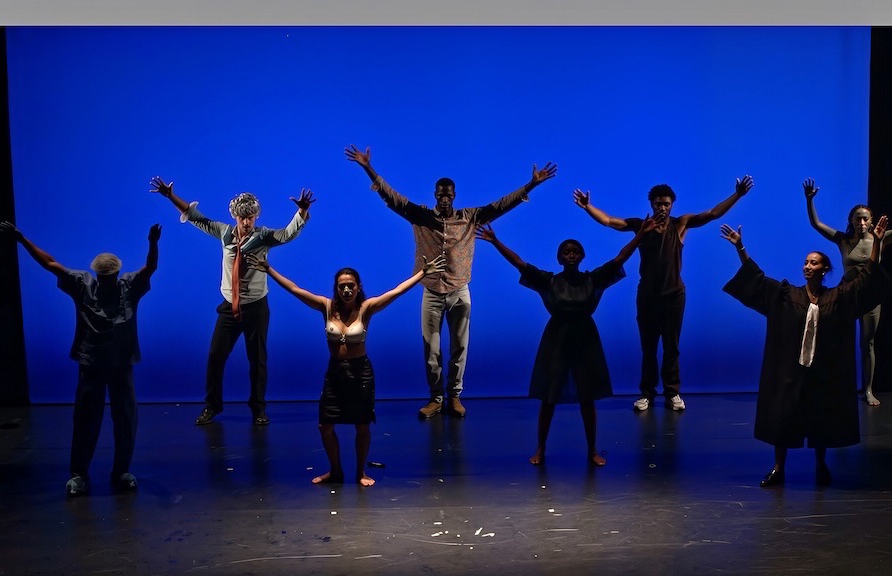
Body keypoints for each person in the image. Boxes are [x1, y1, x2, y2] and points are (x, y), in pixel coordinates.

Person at [344, 144, 558, 419]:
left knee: (460, 346)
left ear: (454, 196)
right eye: (440, 194)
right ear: (435, 195)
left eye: (448, 194)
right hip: (432, 291)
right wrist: (368, 168)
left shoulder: (470, 217)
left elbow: (502, 205)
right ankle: (436, 398)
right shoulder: (421, 216)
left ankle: (454, 396)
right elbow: (392, 197)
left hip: (459, 290)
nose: (444, 198)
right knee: (431, 348)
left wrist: (532, 184)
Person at [246, 252, 447, 486]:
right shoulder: (326, 307)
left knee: (362, 425)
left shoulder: (366, 308)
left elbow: (397, 291)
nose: (346, 290)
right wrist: (269, 270)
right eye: (342, 286)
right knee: (325, 425)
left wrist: (422, 273)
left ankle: (361, 472)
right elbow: (294, 289)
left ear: (358, 286)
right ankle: (335, 471)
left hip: (360, 373)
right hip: (335, 372)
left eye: (351, 285)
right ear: (337, 288)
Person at [719, 216, 891, 488]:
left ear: (825, 269)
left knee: (821, 417)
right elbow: (758, 280)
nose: (808, 266)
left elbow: (867, 280)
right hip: (791, 370)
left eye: (814, 263)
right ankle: (778, 468)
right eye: (806, 262)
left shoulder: (838, 297)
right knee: (783, 417)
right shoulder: (787, 295)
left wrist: (877, 244)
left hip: (822, 371)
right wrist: (740, 248)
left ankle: (821, 466)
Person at [475, 217, 656, 466]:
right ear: (559, 258)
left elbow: (620, 258)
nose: (571, 255)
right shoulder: (550, 281)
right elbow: (519, 263)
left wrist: (640, 235)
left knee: (587, 398)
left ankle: (592, 450)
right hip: (557, 339)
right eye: (566, 252)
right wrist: (496, 241)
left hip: (585, 339)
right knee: (549, 397)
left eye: (575, 251)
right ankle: (540, 448)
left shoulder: (592, 279)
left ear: (582, 256)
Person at [1, 220, 160, 496]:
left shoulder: (128, 286)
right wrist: (22, 239)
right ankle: (79, 474)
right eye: (104, 276)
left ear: (115, 274)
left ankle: (120, 471)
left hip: (120, 364)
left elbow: (150, 268)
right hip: (92, 365)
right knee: (87, 419)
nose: (107, 280)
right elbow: (50, 263)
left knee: (125, 418)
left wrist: (153, 244)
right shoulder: (83, 284)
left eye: (109, 276)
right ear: (99, 275)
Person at [572, 175, 754, 412]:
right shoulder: (641, 226)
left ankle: (672, 393)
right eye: (658, 203)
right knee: (648, 348)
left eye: (666, 204)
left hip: (674, 296)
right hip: (647, 296)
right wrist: (588, 206)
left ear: (672, 205)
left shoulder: (681, 224)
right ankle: (646, 394)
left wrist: (737, 194)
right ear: (651, 204)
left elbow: (713, 214)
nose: (662, 207)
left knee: (671, 347)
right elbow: (609, 221)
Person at [149, 176, 313, 426]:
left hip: (256, 306)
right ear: (235, 216)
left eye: (251, 218)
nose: (246, 222)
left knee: (257, 360)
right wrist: (171, 196)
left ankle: (258, 409)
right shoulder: (224, 233)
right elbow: (197, 218)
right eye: (242, 217)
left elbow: (287, 234)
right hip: (229, 306)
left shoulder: (264, 236)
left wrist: (301, 211)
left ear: (256, 217)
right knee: (216, 355)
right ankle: (212, 406)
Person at [804, 177, 892, 406]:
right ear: (851, 220)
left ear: (871, 221)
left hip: (870, 297)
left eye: (865, 218)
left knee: (867, 343)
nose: (861, 222)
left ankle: (868, 390)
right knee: (838, 341)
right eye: (857, 218)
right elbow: (816, 224)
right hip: (847, 295)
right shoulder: (843, 240)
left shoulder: (879, 238)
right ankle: (834, 387)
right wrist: (810, 200)